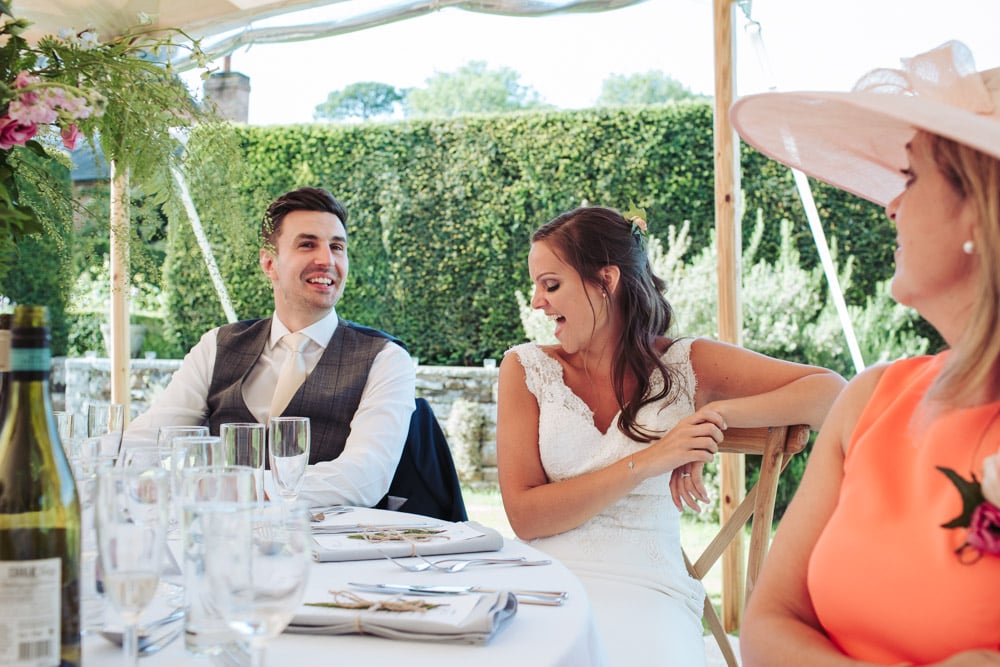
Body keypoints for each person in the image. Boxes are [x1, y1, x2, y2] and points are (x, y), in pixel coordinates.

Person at [729, 40, 1000, 666]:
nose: (889, 205)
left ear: (981, 214)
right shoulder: (872, 399)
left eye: (910, 176)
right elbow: (767, 626)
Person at [495, 205, 846, 666]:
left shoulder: (686, 362)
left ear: (606, 281)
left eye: (551, 284)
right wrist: (655, 456)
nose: (537, 301)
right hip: (542, 579)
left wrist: (713, 416)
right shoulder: (526, 368)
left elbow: (834, 393)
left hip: (645, 586)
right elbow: (526, 516)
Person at [126, 186, 416, 507]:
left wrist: (231, 487)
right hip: (219, 540)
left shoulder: (385, 359)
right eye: (307, 244)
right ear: (269, 264)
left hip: (329, 551)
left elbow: (365, 477)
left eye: (337, 246)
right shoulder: (217, 346)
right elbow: (148, 440)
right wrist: (89, 460)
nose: (327, 259)